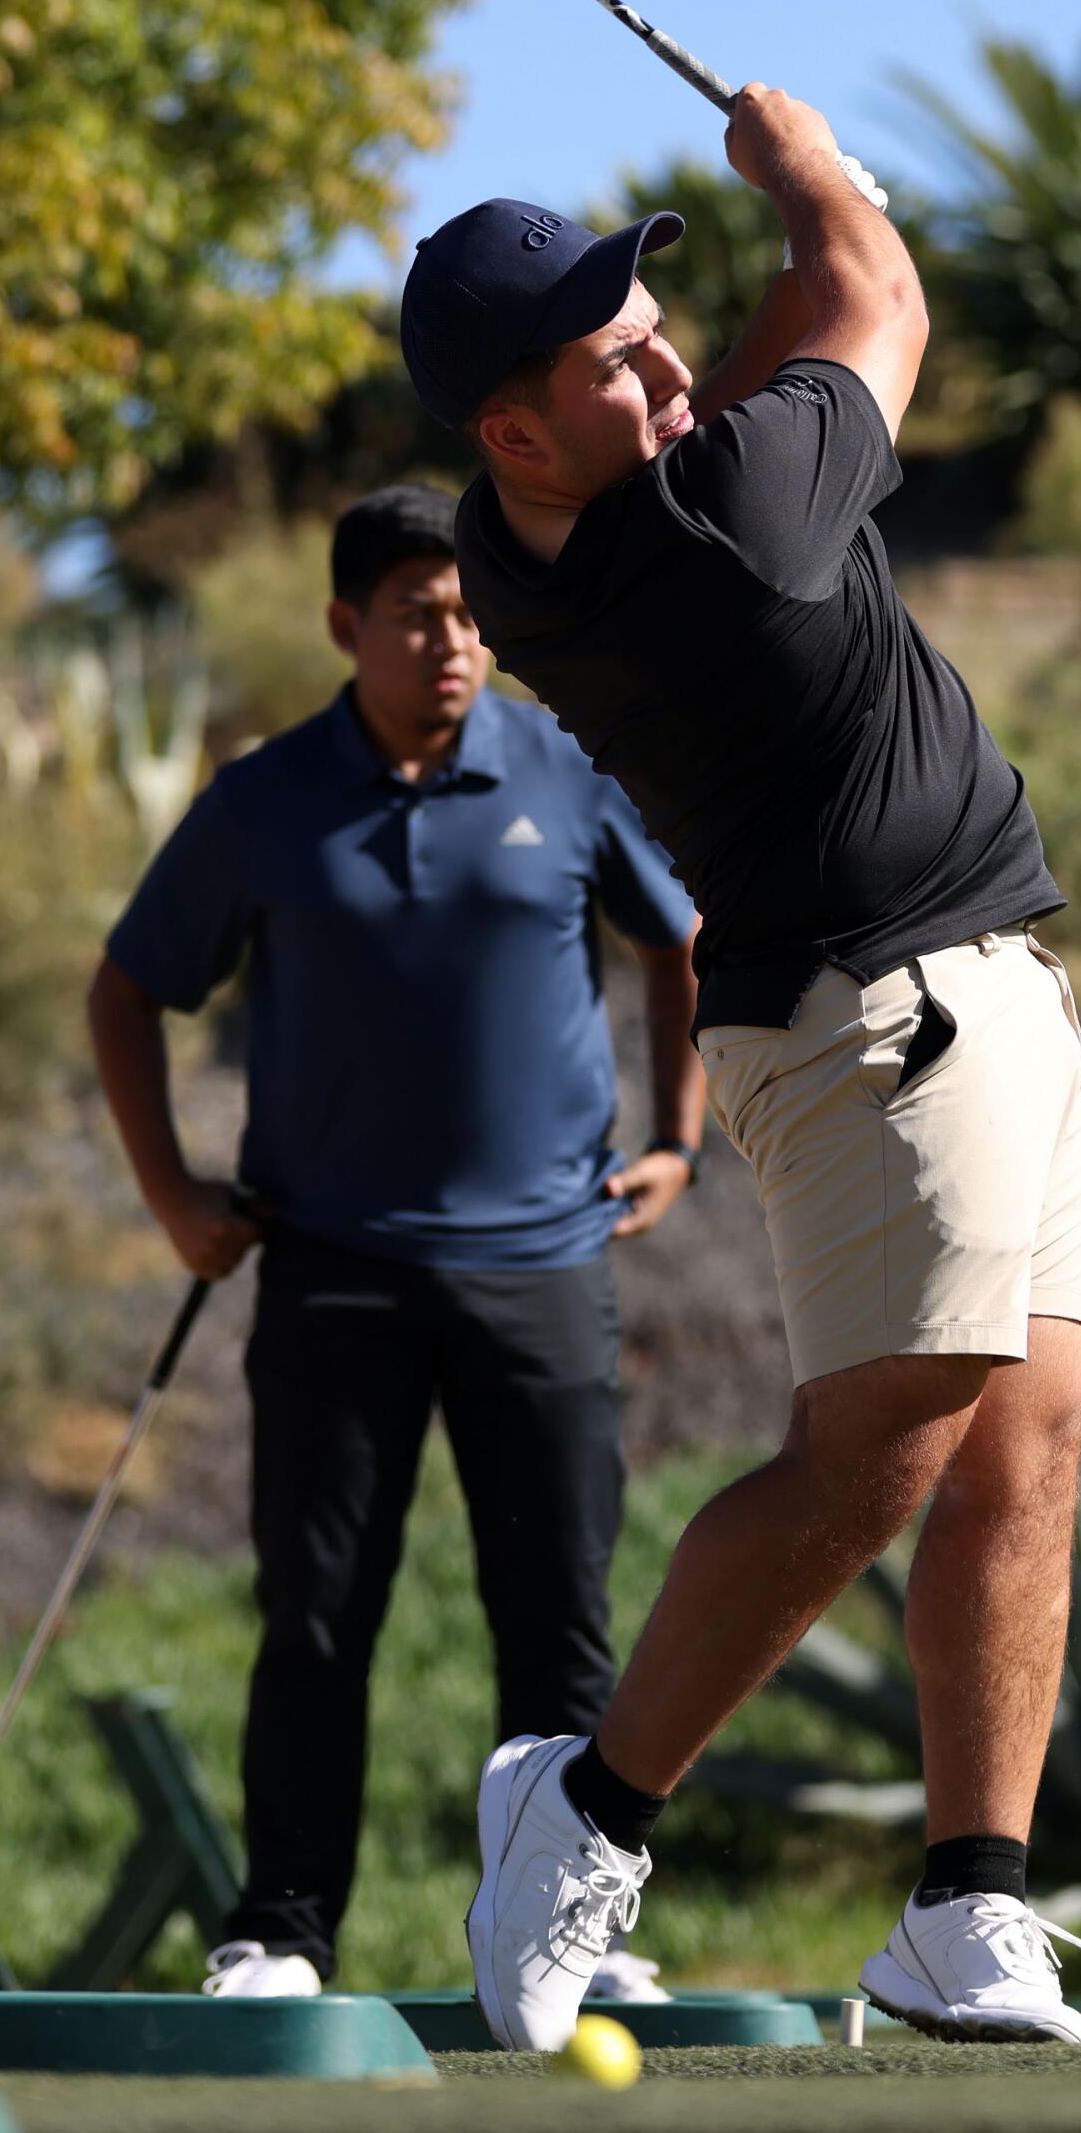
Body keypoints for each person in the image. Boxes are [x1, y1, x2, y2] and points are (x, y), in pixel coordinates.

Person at [397, 91, 1081, 2050]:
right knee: (871, 1456)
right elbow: (868, 298)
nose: (672, 367)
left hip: (987, 996)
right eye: (620, 359)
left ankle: (968, 1903)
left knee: (1022, 1441)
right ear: (519, 430)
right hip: (886, 1018)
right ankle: (587, 1812)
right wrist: (804, 165)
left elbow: (798, 333)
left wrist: (790, 246)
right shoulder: (731, 522)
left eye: (659, 323)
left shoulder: (541, 532)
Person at [88, 483, 703, 2001]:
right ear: (344, 625)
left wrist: (682, 1135)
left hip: (548, 1264)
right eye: (421, 613)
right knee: (314, 1613)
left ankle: (582, 1934)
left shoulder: (563, 763)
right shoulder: (264, 798)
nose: (453, 640)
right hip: (333, 1269)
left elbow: (679, 940)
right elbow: (126, 989)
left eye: (472, 614)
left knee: (557, 1616)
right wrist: (174, 1195)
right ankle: (281, 1928)